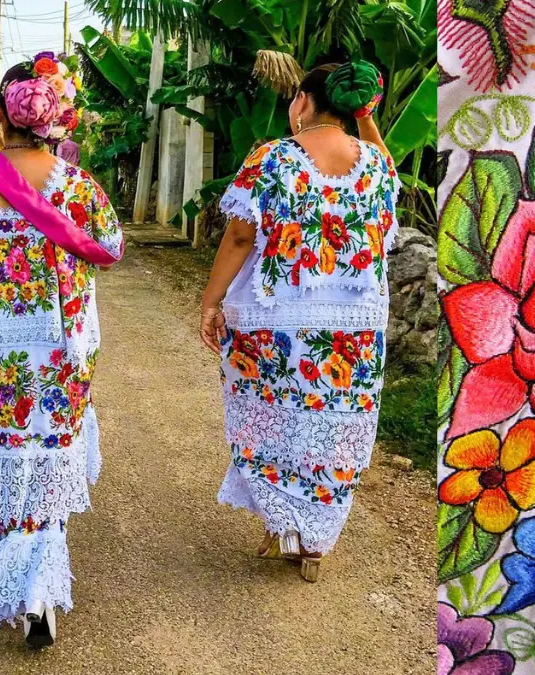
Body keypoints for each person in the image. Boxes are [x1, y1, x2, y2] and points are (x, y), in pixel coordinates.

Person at [0, 59, 123, 647]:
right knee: (49, 452)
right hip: (61, 349)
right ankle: (38, 589)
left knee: (6, 451)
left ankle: (18, 570)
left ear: (1, 117)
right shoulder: (76, 185)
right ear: (53, 120)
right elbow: (108, 246)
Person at [200, 61, 397, 583]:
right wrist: (365, 118)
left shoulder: (271, 159)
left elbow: (241, 239)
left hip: (274, 324)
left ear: (304, 102)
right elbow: (385, 163)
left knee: (272, 421)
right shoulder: (377, 166)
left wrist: (211, 301)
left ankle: (282, 522)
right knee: (334, 430)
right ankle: (312, 543)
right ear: (354, 107)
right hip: (353, 336)